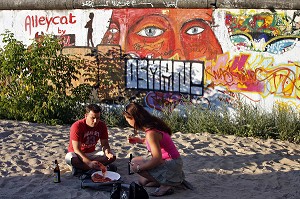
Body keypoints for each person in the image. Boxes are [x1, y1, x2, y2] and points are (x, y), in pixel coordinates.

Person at [123, 102, 185, 197]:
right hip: (174, 162)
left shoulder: (151, 133)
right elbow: (156, 142)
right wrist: (139, 140)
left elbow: (157, 159)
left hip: (170, 164)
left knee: (134, 166)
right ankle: (171, 180)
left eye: (127, 119)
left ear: (133, 118)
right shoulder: (154, 124)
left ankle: (167, 183)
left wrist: (139, 168)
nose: (127, 122)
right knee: (142, 180)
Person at [65, 104, 116, 175]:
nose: (95, 121)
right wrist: (89, 163)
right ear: (86, 116)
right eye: (93, 118)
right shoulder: (77, 126)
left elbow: (105, 144)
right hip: (77, 154)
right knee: (69, 158)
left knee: (113, 155)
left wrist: (107, 152)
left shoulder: (102, 125)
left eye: (98, 118)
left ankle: (83, 169)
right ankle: (97, 167)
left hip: (91, 153)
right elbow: (76, 149)